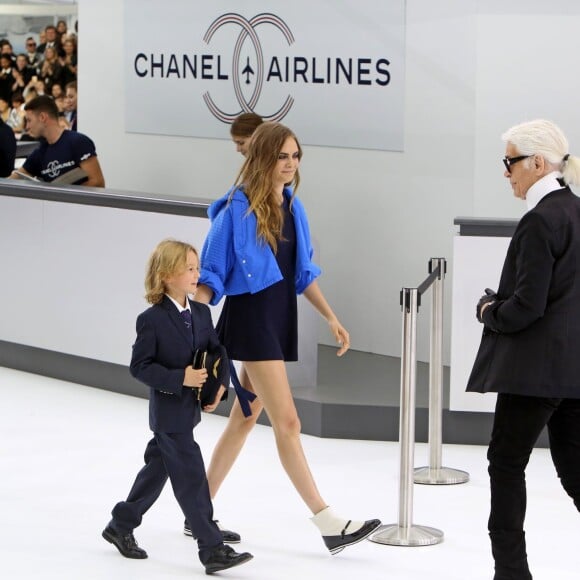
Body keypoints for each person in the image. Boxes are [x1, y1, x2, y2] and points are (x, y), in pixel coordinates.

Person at [195, 121, 381, 554]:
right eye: (282, 156)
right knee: (289, 422)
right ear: (262, 158)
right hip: (252, 319)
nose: (290, 164)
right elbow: (210, 275)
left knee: (243, 418)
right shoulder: (235, 212)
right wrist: (185, 315)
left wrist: (331, 316)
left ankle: (196, 508)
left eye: (296, 156)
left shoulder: (294, 207)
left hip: (278, 317)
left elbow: (302, 274)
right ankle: (327, 520)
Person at [466, 119, 580, 580]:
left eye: (510, 162)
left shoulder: (540, 219)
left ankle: (511, 574)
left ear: (537, 163)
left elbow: (527, 307)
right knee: (575, 473)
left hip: (534, 372)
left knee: (506, 464)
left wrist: (488, 310)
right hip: (573, 370)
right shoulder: (575, 210)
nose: (506, 172)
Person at [102, 239, 253, 575]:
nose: (197, 274)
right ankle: (211, 547)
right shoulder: (152, 320)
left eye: (197, 268)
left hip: (191, 410)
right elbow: (139, 367)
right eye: (190, 269)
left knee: (157, 469)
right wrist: (178, 378)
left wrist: (219, 389)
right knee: (191, 478)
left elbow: (218, 352)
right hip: (169, 415)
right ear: (167, 275)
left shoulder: (201, 312)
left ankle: (120, 525)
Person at [9, 95, 105, 186]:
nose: (27, 127)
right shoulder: (39, 153)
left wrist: (63, 196)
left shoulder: (78, 142)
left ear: (43, 117)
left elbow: (97, 182)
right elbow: (13, 180)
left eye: (29, 120)